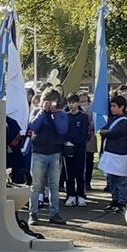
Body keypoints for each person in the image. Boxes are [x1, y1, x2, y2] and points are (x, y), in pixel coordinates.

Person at [27, 91, 69, 225]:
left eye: (54, 101)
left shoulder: (62, 114)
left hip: (55, 153)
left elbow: (62, 130)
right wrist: (43, 112)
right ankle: (33, 214)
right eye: (49, 101)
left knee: (54, 186)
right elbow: (32, 126)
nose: (52, 104)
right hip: (38, 153)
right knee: (36, 185)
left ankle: (54, 213)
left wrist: (55, 114)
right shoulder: (36, 111)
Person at [98, 95, 127, 212]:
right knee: (112, 179)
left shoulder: (125, 121)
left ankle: (122, 202)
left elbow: (114, 132)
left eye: (114, 106)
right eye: (111, 106)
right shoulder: (112, 119)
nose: (112, 109)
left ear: (121, 107)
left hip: (120, 154)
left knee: (121, 180)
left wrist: (105, 132)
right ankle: (115, 200)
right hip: (111, 153)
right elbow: (105, 130)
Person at [64, 94, 91, 206]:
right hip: (68, 148)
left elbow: (84, 134)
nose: (71, 105)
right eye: (69, 102)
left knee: (80, 172)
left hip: (80, 148)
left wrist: (75, 141)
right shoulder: (65, 116)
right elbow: (64, 132)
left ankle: (80, 195)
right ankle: (70, 195)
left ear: (78, 103)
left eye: (73, 102)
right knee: (69, 173)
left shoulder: (84, 117)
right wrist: (68, 141)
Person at [80, 93, 97, 190]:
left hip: (90, 138)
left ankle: (88, 181)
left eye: (85, 101)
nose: (83, 104)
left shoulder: (92, 110)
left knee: (89, 161)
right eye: (81, 101)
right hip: (79, 139)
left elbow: (94, 122)